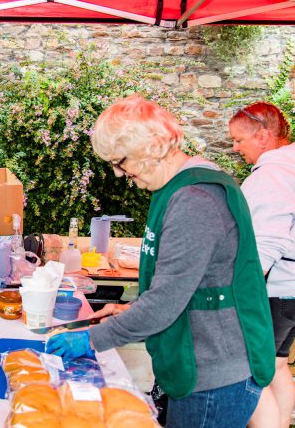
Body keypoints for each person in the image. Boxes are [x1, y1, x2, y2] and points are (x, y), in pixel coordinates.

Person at [47, 94, 275, 427]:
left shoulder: (194, 200)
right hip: (200, 363)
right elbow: (186, 284)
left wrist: (92, 339)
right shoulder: (175, 189)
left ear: (151, 145)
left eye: (120, 161)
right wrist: (127, 311)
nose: (118, 173)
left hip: (214, 376)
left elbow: (165, 301)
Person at [229, 102, 295, 428]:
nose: (235, 147)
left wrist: (241, 295)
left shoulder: (272, 175)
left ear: (264, 136)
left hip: (275, 290)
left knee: (253, 372)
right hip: (290, 292)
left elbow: (267, 244)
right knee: (277, 366)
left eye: (240, 140)